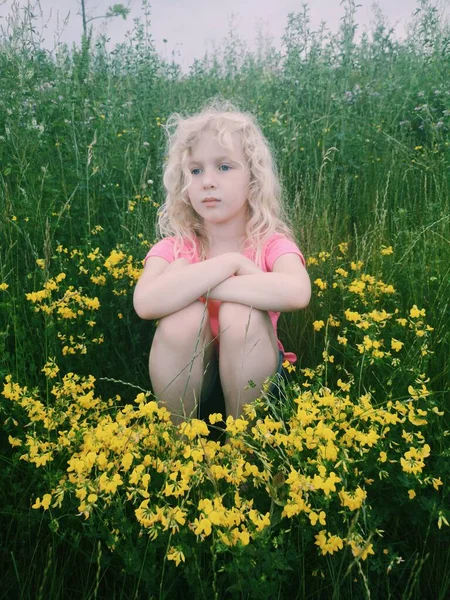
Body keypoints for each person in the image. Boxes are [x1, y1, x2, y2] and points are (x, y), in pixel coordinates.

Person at [133, 99, 311, 426]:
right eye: (196, 170)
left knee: (239, 313)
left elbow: (298, 292)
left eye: (224, 167)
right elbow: (145, 303)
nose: (208, 181)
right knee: (181, 319)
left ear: (253, 179)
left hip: (256, 382)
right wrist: (231, 263)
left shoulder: (270, 243)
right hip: (192, 382)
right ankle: (179, 448)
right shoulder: (174, 247)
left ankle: (246, 452)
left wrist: (198, 281)